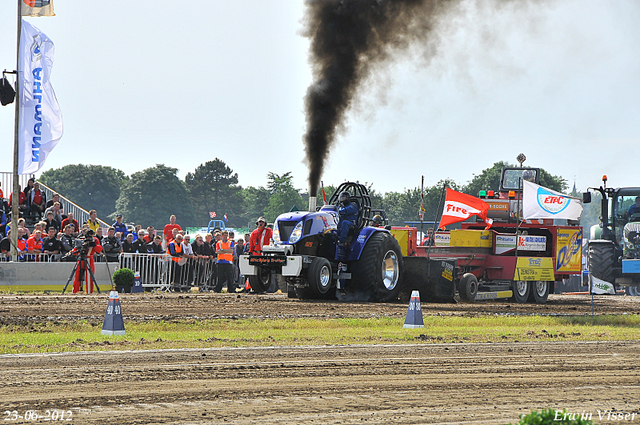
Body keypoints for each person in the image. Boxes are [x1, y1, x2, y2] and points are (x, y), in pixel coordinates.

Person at [71, 229, 103, 294]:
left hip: (89, 258)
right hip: (81, 258)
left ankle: (89, 292)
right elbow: (77, 248)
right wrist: (71, 253)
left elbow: (99, 250)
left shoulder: (95, 240)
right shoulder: (81, 239)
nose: (90, 236)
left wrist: (94, 245)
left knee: (90, 277)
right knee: (77, 276)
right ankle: (75, 291)